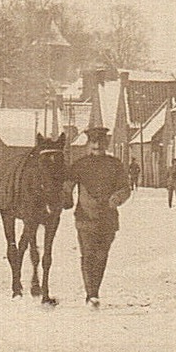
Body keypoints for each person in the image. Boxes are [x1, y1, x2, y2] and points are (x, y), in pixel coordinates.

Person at [66, 126, 132, 307]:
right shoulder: (80, 164)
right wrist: (66, 196)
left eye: (101, 142)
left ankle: (95, 289)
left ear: (106, 144)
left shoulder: (115, 164)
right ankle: (91, 294)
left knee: (102, 256)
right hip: (85, 218)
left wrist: (118, 197)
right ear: (89, 144)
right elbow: (68, 183)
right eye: (94, 142)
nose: (97, 145)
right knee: (88, 255)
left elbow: (125, 188)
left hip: (108, 219)